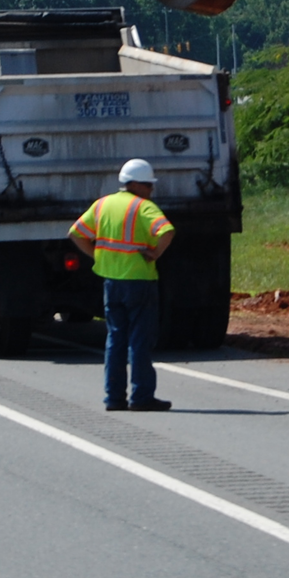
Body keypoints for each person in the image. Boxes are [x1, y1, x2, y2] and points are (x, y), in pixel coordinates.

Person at [70, 159, 176, 412]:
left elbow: (76, 233)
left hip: (112, 282)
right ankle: (141, 397)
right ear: (137, 184)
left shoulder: (102, 204)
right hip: (139, 281)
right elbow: (167, 231)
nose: (151, 190)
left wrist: (97, 255)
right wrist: (155, 254)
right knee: (139, 341)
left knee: (115, 339)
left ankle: (114, 398)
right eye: (149, 185)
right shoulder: (144, 207)